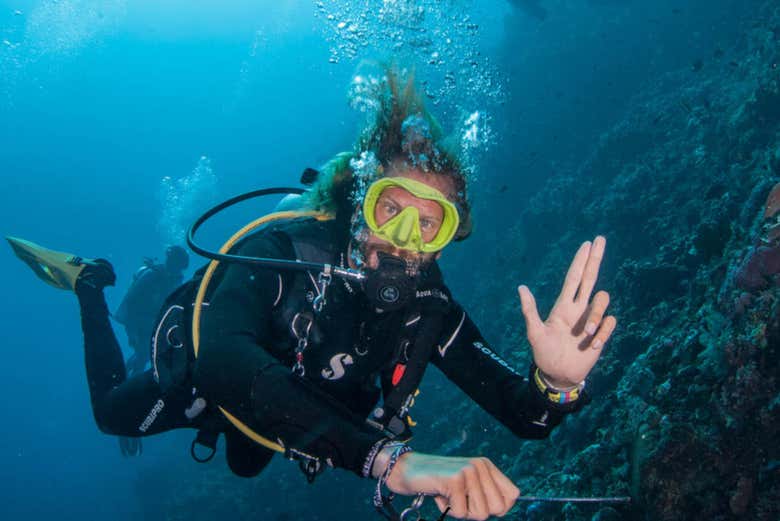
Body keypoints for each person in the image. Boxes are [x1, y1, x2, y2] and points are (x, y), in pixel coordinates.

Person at [7, 70, 616, 520]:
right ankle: (88, 289)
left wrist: (556, 384)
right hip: (211, 389)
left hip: (294, 418)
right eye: (390, 208)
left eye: (428, 223)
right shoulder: (282, 254)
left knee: (249, 462)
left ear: (446, 239)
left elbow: (525, 415)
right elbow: (222, 362)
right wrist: (390, 462)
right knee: (113, 415)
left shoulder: (430, 309)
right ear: (357, 205)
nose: (403, 239)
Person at [114, 245, 190, 375]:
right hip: (138, 321)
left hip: (152, 323)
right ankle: (124, 382)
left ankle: (122, 378)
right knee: (143, 354)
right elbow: (130, 301)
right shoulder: (151, 275)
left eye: (179, 268)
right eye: (176, 266)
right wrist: (132, 331)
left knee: (145, 355)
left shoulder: (174, 281)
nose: (177, 271)